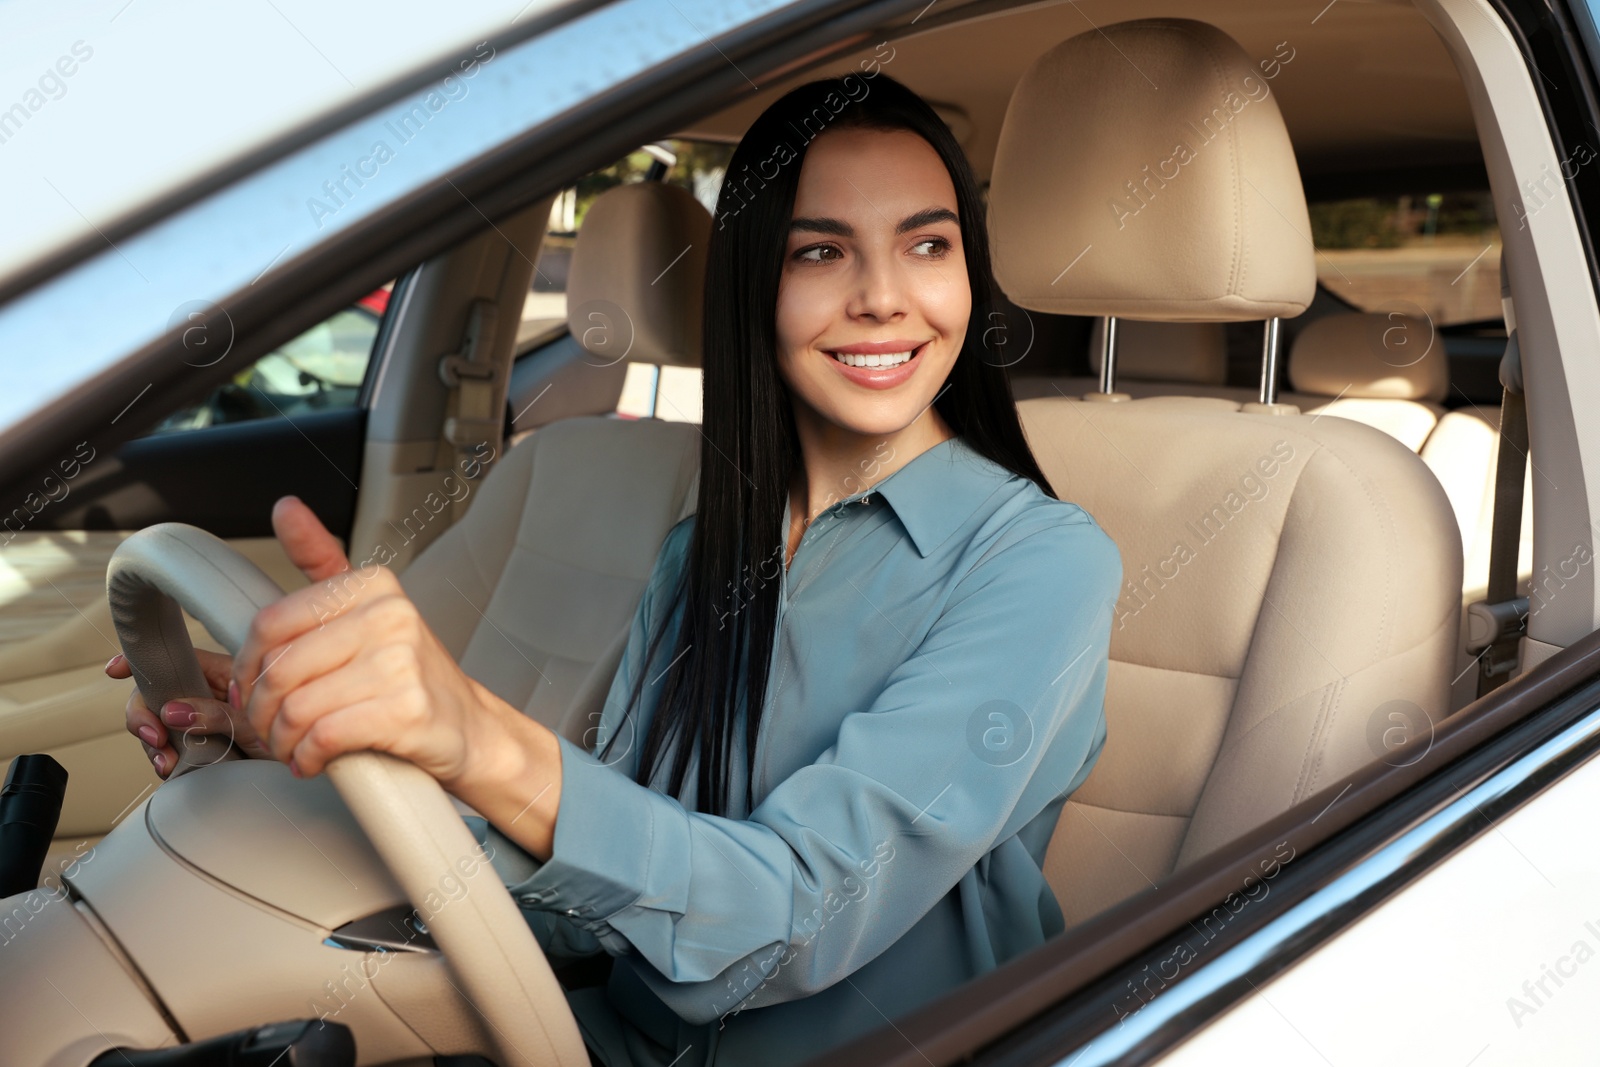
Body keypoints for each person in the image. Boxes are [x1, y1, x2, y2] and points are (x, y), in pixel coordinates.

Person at [108, 74, 1122, 1067]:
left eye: (927, 244)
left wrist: (470, 730)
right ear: (753, 284)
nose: (883, 298)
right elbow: (614, 888)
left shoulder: (1042, 565)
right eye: (821, 250)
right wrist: (330, 733)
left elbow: (794, 919)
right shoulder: (710, 537)